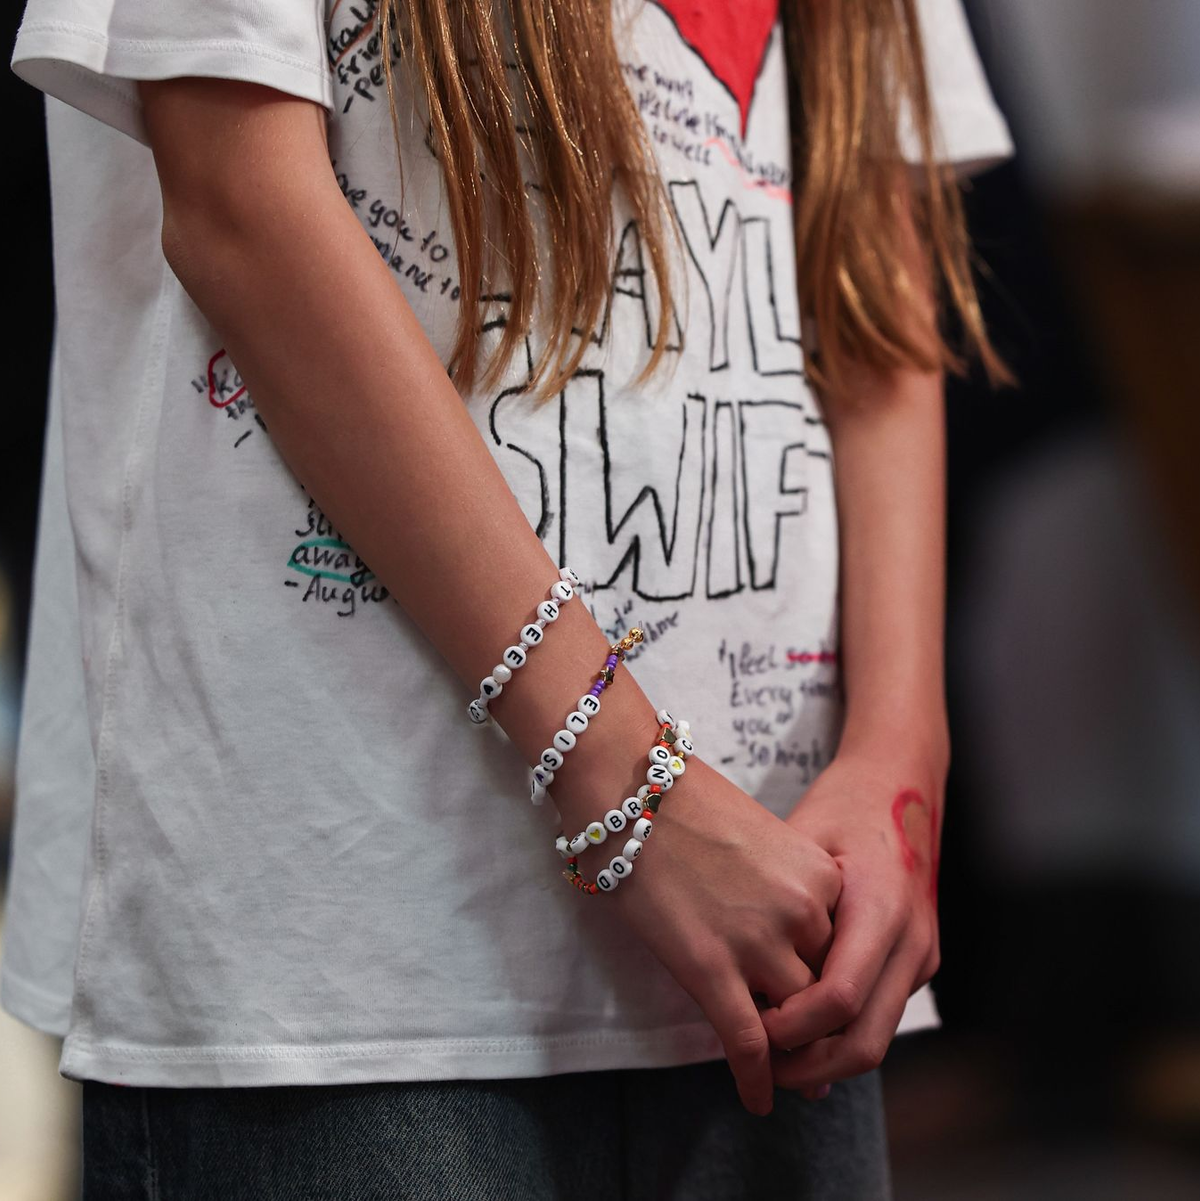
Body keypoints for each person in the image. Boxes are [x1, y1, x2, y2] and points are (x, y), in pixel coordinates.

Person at [2, 0, 1012, 1195]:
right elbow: (238, 200)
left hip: (780, 900)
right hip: (361, 947)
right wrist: (635, 788)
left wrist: (900, 754)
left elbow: (872, 239)